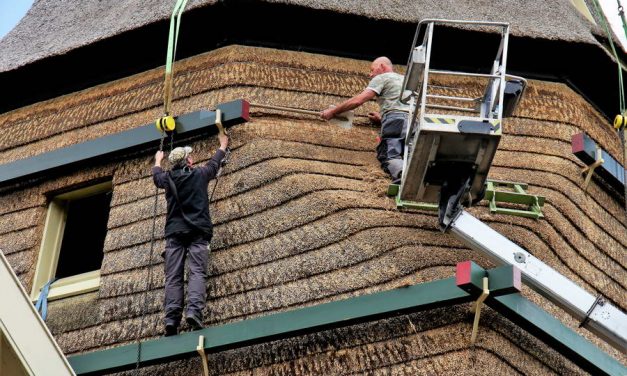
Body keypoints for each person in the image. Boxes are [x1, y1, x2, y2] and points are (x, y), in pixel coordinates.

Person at [152, 132, 229, 336]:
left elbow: (156, 177)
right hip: (198, 231)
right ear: (189, 160)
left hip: (174, 233)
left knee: (173, 277)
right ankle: (194, 312)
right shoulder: (200, 174)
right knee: (196, 272)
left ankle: (171, 319)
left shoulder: (167, 179)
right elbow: (214, 164)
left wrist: (158, 161)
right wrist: (222, 145)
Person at [321, 57, 409, 183]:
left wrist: (333, 112)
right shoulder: (406, 80)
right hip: (414, 122)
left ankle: (402, 178)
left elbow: (358, 100)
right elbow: (403, 109)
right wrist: (382, 119)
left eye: (372, 70)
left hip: (395, 119)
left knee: (388, 154)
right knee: (411, 153)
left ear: (382, 66)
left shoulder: (382, 78)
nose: (370, 74)